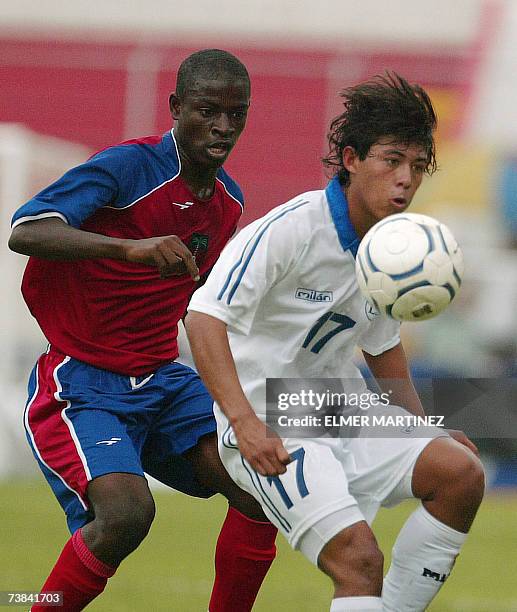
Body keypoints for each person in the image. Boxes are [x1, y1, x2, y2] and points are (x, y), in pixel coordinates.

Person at [185, 72, 485, 612]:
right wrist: (244, 423)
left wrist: (419, 428)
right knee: (358, 561)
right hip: (269, 417)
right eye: (391, 160)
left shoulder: (392, 246)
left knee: (459, 474)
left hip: (333, 409)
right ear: (351, 160)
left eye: (417, 167)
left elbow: (382, 343)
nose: (405, 180)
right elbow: (204, 316)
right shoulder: (292, 229)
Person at [8, 49, 277, 612]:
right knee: (127, 515)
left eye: (237, 114)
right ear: (176, 107)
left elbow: (201, 307)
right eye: (208, 111)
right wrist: (129, 248)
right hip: (81, 383)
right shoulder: (128, 168)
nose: (223, 127)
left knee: (261, 481)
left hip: (163, 381)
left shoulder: (228, 202)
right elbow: (28, 230)